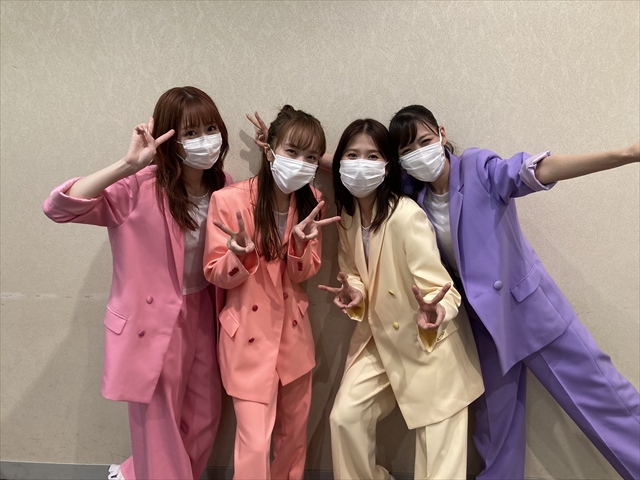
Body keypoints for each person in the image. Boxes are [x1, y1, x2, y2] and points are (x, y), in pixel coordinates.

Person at [388, 104, 640, 479]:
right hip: (484, 326)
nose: (419, 153)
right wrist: (311, 157)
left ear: (441, 135)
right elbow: (361, 166)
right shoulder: (414, 196)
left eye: (425, 141)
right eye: (408, 150)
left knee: (605, 402)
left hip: (531, 311)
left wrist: (626, 154)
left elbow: (530, 170)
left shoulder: (476, 167)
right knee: (496, 432)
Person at [43, 86, 232, 480]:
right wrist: (126, 165)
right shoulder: (138, 187)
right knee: (158, 424)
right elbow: (58, 208)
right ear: (169, 138)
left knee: (203, 417)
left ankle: (132, 474)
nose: (204, 140)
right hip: (152, 321)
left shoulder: (224, 184)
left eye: (210, 128)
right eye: (190, 133)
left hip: (203, 310)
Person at [319, 118, 483, 480]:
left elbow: (441, 287)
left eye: (372, 156)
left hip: (428, 345)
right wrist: (354, 292)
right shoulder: (347, 217)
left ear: (387, 166)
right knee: (345, 417)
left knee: (439, 468)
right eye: (352, 155)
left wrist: (436, 311)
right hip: (380, 341)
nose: (361, 164)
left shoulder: (406, 216)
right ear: (340, 161)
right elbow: (355, 273)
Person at [203, 105, 340, 480]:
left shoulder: (312, 200)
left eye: (311, 157)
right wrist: (239, 255)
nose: (301, 163)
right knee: (254, 443)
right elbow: (214, 273)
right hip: (246, 338)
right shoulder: (228, 200)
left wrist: (300, 245)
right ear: (269, 150)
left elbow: (303, 273)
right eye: (292, 152)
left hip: (293, 338)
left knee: (293, 440)